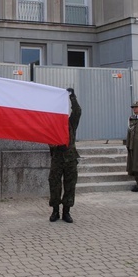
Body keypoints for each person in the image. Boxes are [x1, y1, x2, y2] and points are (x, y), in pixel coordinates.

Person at [48, 88, 82, 223]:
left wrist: (73, 97)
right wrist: (54, 145)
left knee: (70, 185)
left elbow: (78, 112)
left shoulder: (71, 122)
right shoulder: (52, 124)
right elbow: (48, 139)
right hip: (57, 158)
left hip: (70, 159)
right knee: (54, 184)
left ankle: (66, 212)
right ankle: (55, 211)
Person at [126, 101, 138, 192]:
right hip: (133, 146)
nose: (134, 109)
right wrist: (128, 145)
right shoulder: (132, 119)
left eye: (136, 107)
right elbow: (129, 132)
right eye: (133, 107)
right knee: (134, 166)